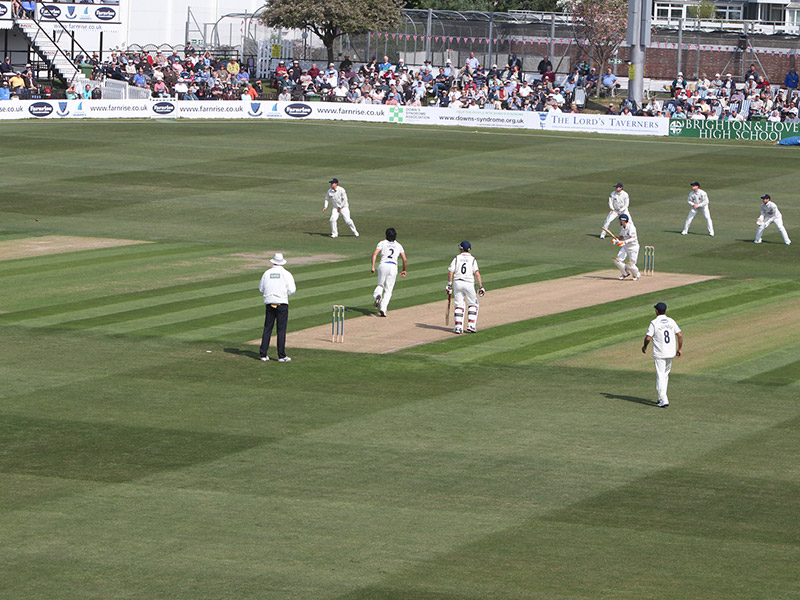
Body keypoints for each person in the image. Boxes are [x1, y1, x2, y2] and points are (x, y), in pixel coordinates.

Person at [642, 302, 683, 408]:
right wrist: (679, 349)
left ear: (656, 311)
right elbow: (679, 335)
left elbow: (648, 337)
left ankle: (664, 399)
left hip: (660, 353)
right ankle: (661, 397)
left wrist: (645, 346)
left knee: (660, 375)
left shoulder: (654, 322)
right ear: (665, 311)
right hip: (670, 352)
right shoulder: (671, 321)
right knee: (665, 375)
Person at [258, 252, 296, 363]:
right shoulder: (286, 274)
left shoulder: (266, 273)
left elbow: (261, 288)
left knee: (267, 328)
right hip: (282, 303)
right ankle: (281, 355)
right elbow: (292, 290)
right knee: (281, 330)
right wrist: (284, 294)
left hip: (269, 302)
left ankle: (263, 354)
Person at [446, 241, 485, 334]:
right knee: (473, 304)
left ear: (462, 248)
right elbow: (477, 274)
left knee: (459, 305)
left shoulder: (457, 258)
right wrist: (481, 287)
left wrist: (449, 285)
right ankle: (471, 325)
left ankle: (458, 327)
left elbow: (451, 272)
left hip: (457, 283)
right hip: (469, 283)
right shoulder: (472, 259)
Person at [370, 227, 407, 317]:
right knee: (388, 290)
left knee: (380, 285)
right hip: (393, 266)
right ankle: (383, 308)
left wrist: (373, 266)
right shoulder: (399, 245)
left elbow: (375, 254)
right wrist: (404, 270)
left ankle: (378, 295)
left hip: (383, 265)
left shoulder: (382, 243)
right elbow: (404, 259)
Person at [612, 213, 640, 280]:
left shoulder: (631, 227)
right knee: (617, 260)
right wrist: (616, 240)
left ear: (623, 221)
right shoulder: (622, 228)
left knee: (631, 265)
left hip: (633, 247)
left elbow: (633, 238)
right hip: (625, 246)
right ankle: (625, 273)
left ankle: (636, 274)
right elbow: (621, 236)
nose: (619, 222)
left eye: (620, 221)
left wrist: (624, 242)